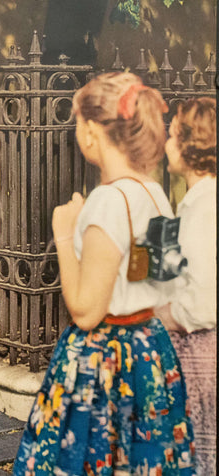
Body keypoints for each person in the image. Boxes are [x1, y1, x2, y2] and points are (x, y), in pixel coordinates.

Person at [12, 72, 196, 475]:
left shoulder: (107, 202)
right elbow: (155, 281)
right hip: (148, 351)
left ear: (92, 130)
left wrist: (63, 230)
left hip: (103, 360)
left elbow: (86, 311)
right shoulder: (154, 192)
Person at [155, 97, 216, 474]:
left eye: (173, 135)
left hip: (199, 352)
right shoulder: (192, 202)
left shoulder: (206, 207)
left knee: (200, 455)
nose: (166, 144)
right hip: (189, 346)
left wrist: (162, 313)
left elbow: (206, 301)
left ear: (190, 145)